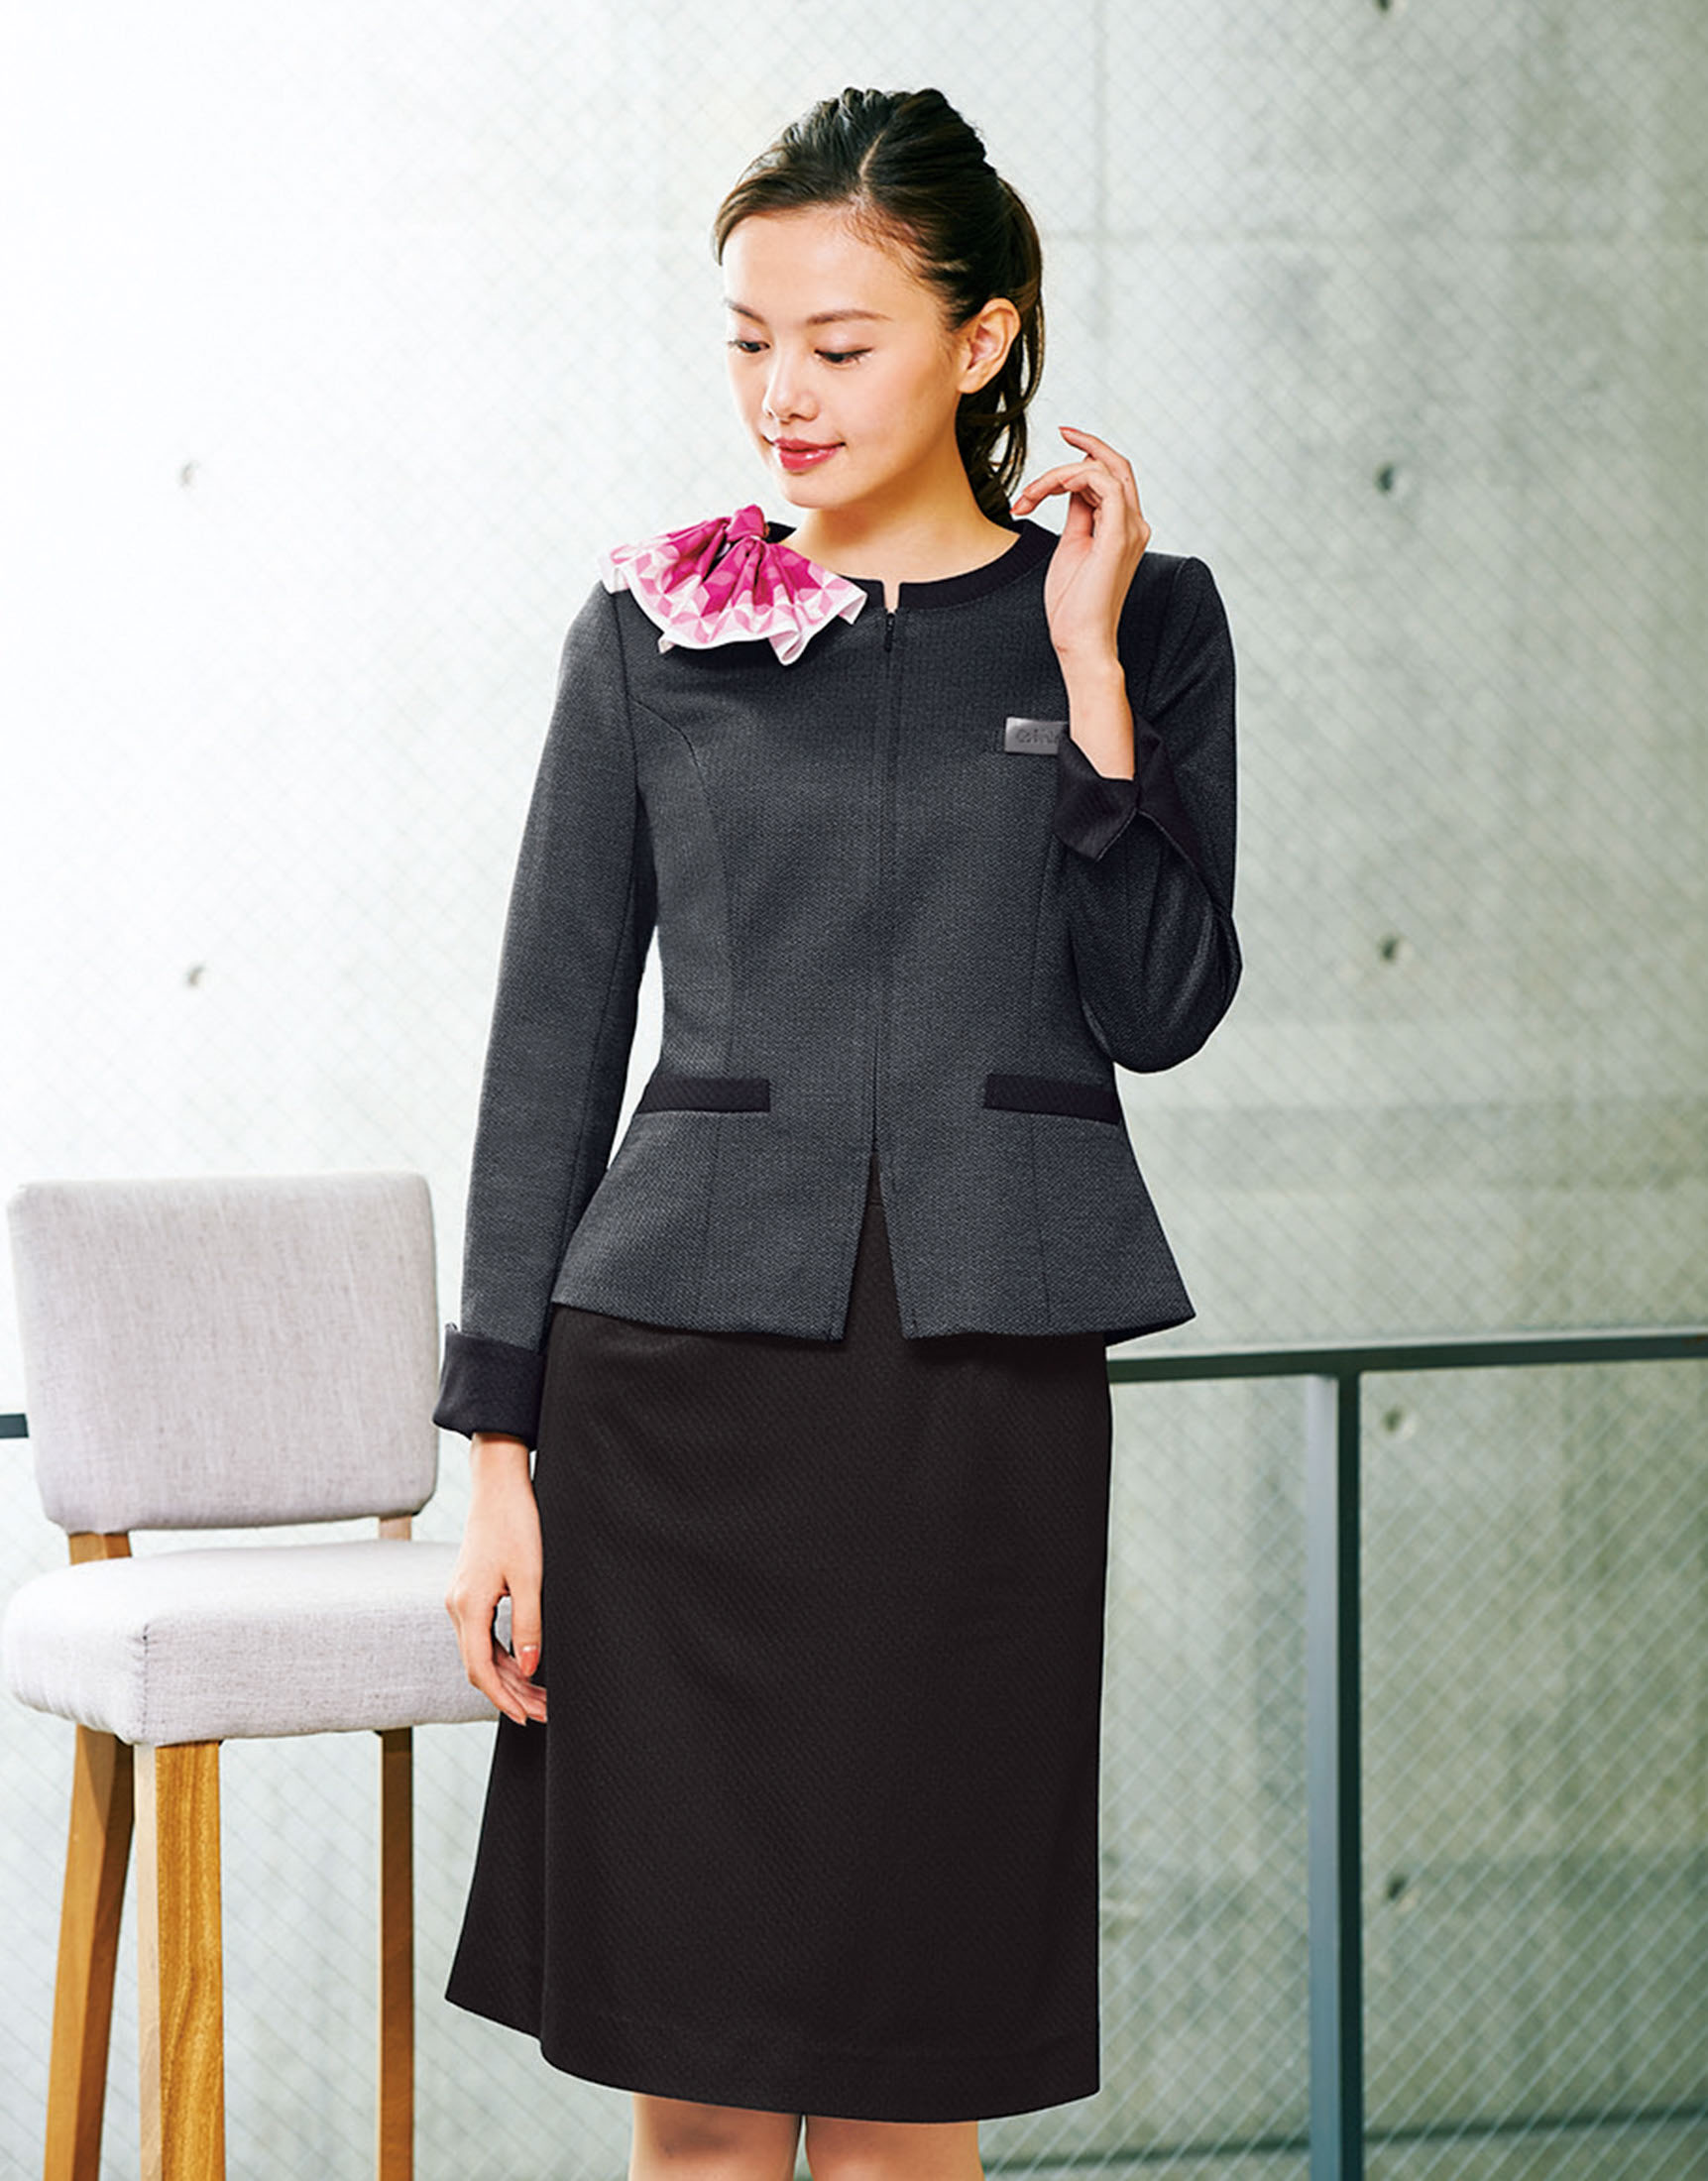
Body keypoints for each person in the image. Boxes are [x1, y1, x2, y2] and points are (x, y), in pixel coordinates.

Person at [432, 83, 1240, 2181]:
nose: (779, 394)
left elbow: (1161, 1003)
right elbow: (549, 1036)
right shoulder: (651, 628)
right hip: (674, 1401)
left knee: (903, 2092)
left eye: (838, 343)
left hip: (976, 1405)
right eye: (748, 340)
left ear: (981, 341)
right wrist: (499, 1456)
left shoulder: (1145, 621)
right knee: (694, 2099)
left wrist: (1085, 674)